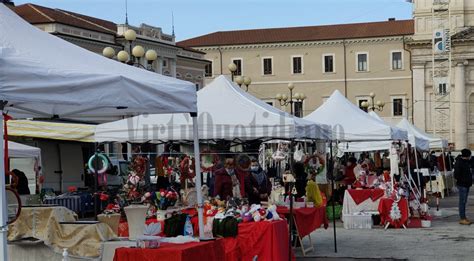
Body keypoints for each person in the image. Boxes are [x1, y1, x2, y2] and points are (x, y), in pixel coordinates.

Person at [454, 149, 473, 225]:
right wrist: (463, 180)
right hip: (462, 185)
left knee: (464, 202)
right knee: (462, 202)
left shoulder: (466, 162)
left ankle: (464, 217)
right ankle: (462, 218)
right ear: (467, 155)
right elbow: (456, 175)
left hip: (466, 184)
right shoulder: (459, 163)